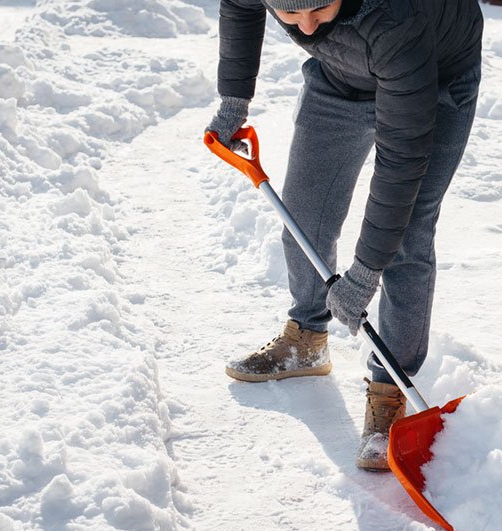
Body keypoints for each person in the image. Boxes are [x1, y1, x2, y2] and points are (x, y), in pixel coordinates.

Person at [206, 0, 483, 470]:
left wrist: (366, 271)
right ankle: (306, 337)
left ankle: (390, 387)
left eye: (319, 6)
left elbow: (401, 166)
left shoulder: (397, 19)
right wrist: (234, 98)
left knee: (407, 236)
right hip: (338, 79)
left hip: (432, 80)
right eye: (290, 15)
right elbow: (238, 6)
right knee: (305, 214)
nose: (307, 26)